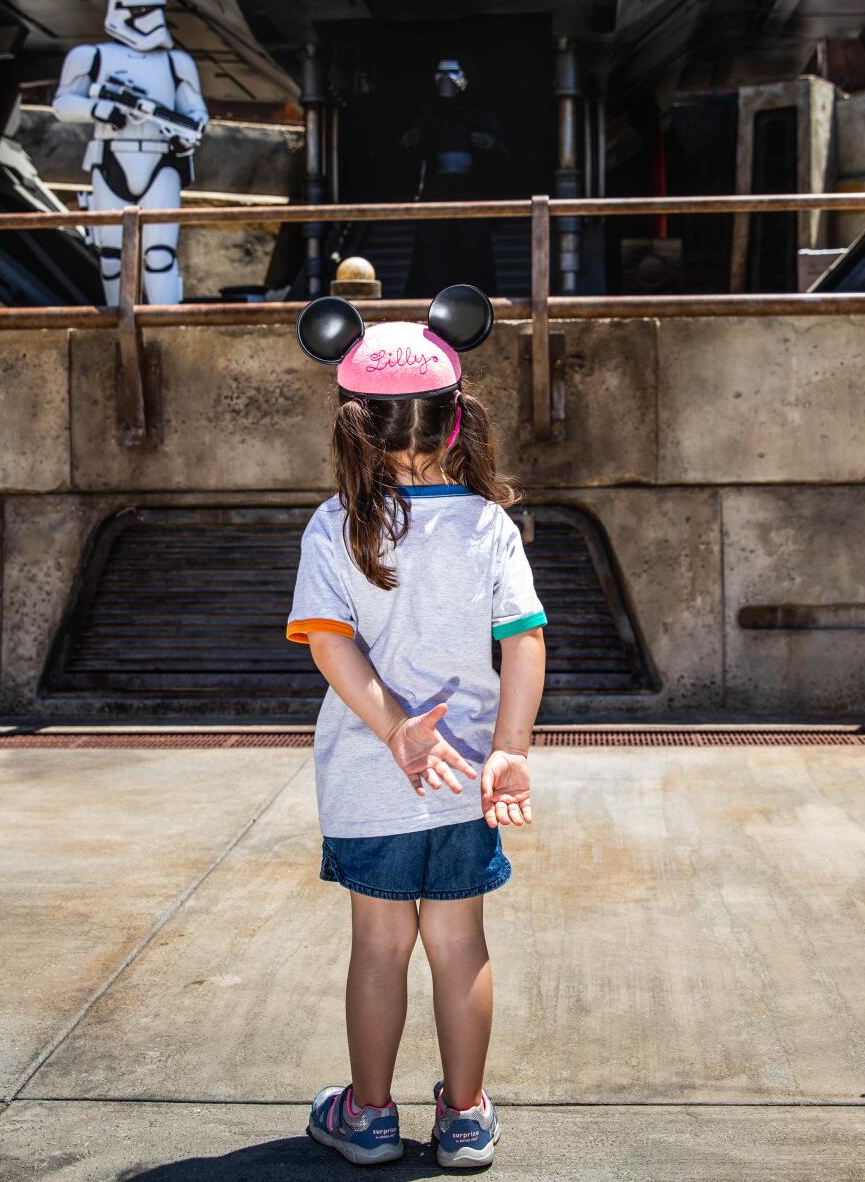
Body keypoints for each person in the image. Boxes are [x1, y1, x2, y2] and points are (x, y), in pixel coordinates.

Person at [286, 285, 546, 1169]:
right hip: (467, 780)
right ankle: (465, 1114)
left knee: (378, 947)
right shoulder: (488, 526)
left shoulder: (338, 527)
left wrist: (395, 727)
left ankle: (367, 1115)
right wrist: (508, 748)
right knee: (459, 944)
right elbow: (525, 644)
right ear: (454, 422)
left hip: (373, 782)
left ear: (354, 427)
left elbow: (330, 647)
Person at [52, 0, 209, 305]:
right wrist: (101, 110)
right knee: (112, 258)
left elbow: (195, 114)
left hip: (161, 161)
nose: (152, 20)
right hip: (112, 160)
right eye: (142, 12)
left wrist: (185, 139)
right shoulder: (91, 58)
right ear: (123, 12)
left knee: (161, 256)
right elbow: (63, 103)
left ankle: (165, 330)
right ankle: (118, 326)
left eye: (154, 12)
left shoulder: (175, 63)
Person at [401, 59, 508, 298]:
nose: (446, 81)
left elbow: (502, 154)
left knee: (473, 248)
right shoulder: (428, 114)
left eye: (451, 74)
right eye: (441, 74)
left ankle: (477, 298)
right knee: (432, 249)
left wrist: (489, 144)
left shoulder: (480, 114)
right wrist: (412, 141)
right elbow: (412, 148)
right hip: (439, 188)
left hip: (470, 188)